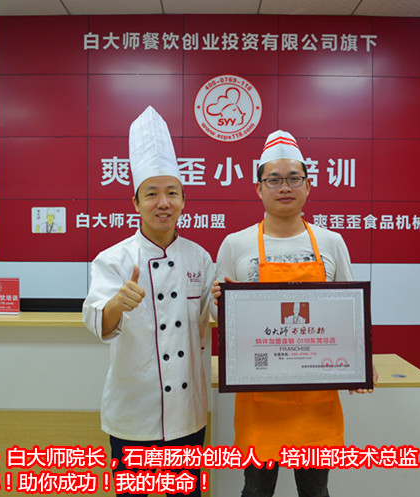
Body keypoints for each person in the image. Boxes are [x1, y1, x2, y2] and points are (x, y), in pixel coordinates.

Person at [212, 130, 377, 497]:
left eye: (293, 178)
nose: (284, 187)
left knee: (315, 491)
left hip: (316, 394)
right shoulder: (236, 244)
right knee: (256, 490)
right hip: (259, 392)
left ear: (308, 185)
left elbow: (351, 310)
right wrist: (220, 302)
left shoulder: (331, 241)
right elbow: (215, 313)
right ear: (258, 188)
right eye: (274, 179)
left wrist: (361, 361)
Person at [82, 106, 215, 497]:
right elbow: (97, 323)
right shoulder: (114, 259)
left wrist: (231, 299)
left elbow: (215, 316)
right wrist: (117, 304)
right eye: (152, 194)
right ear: (135, 202)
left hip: (187, 412)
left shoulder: (199, 258)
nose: (163, 202)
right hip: (133, 411)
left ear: (184, 200)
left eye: (171, 193)